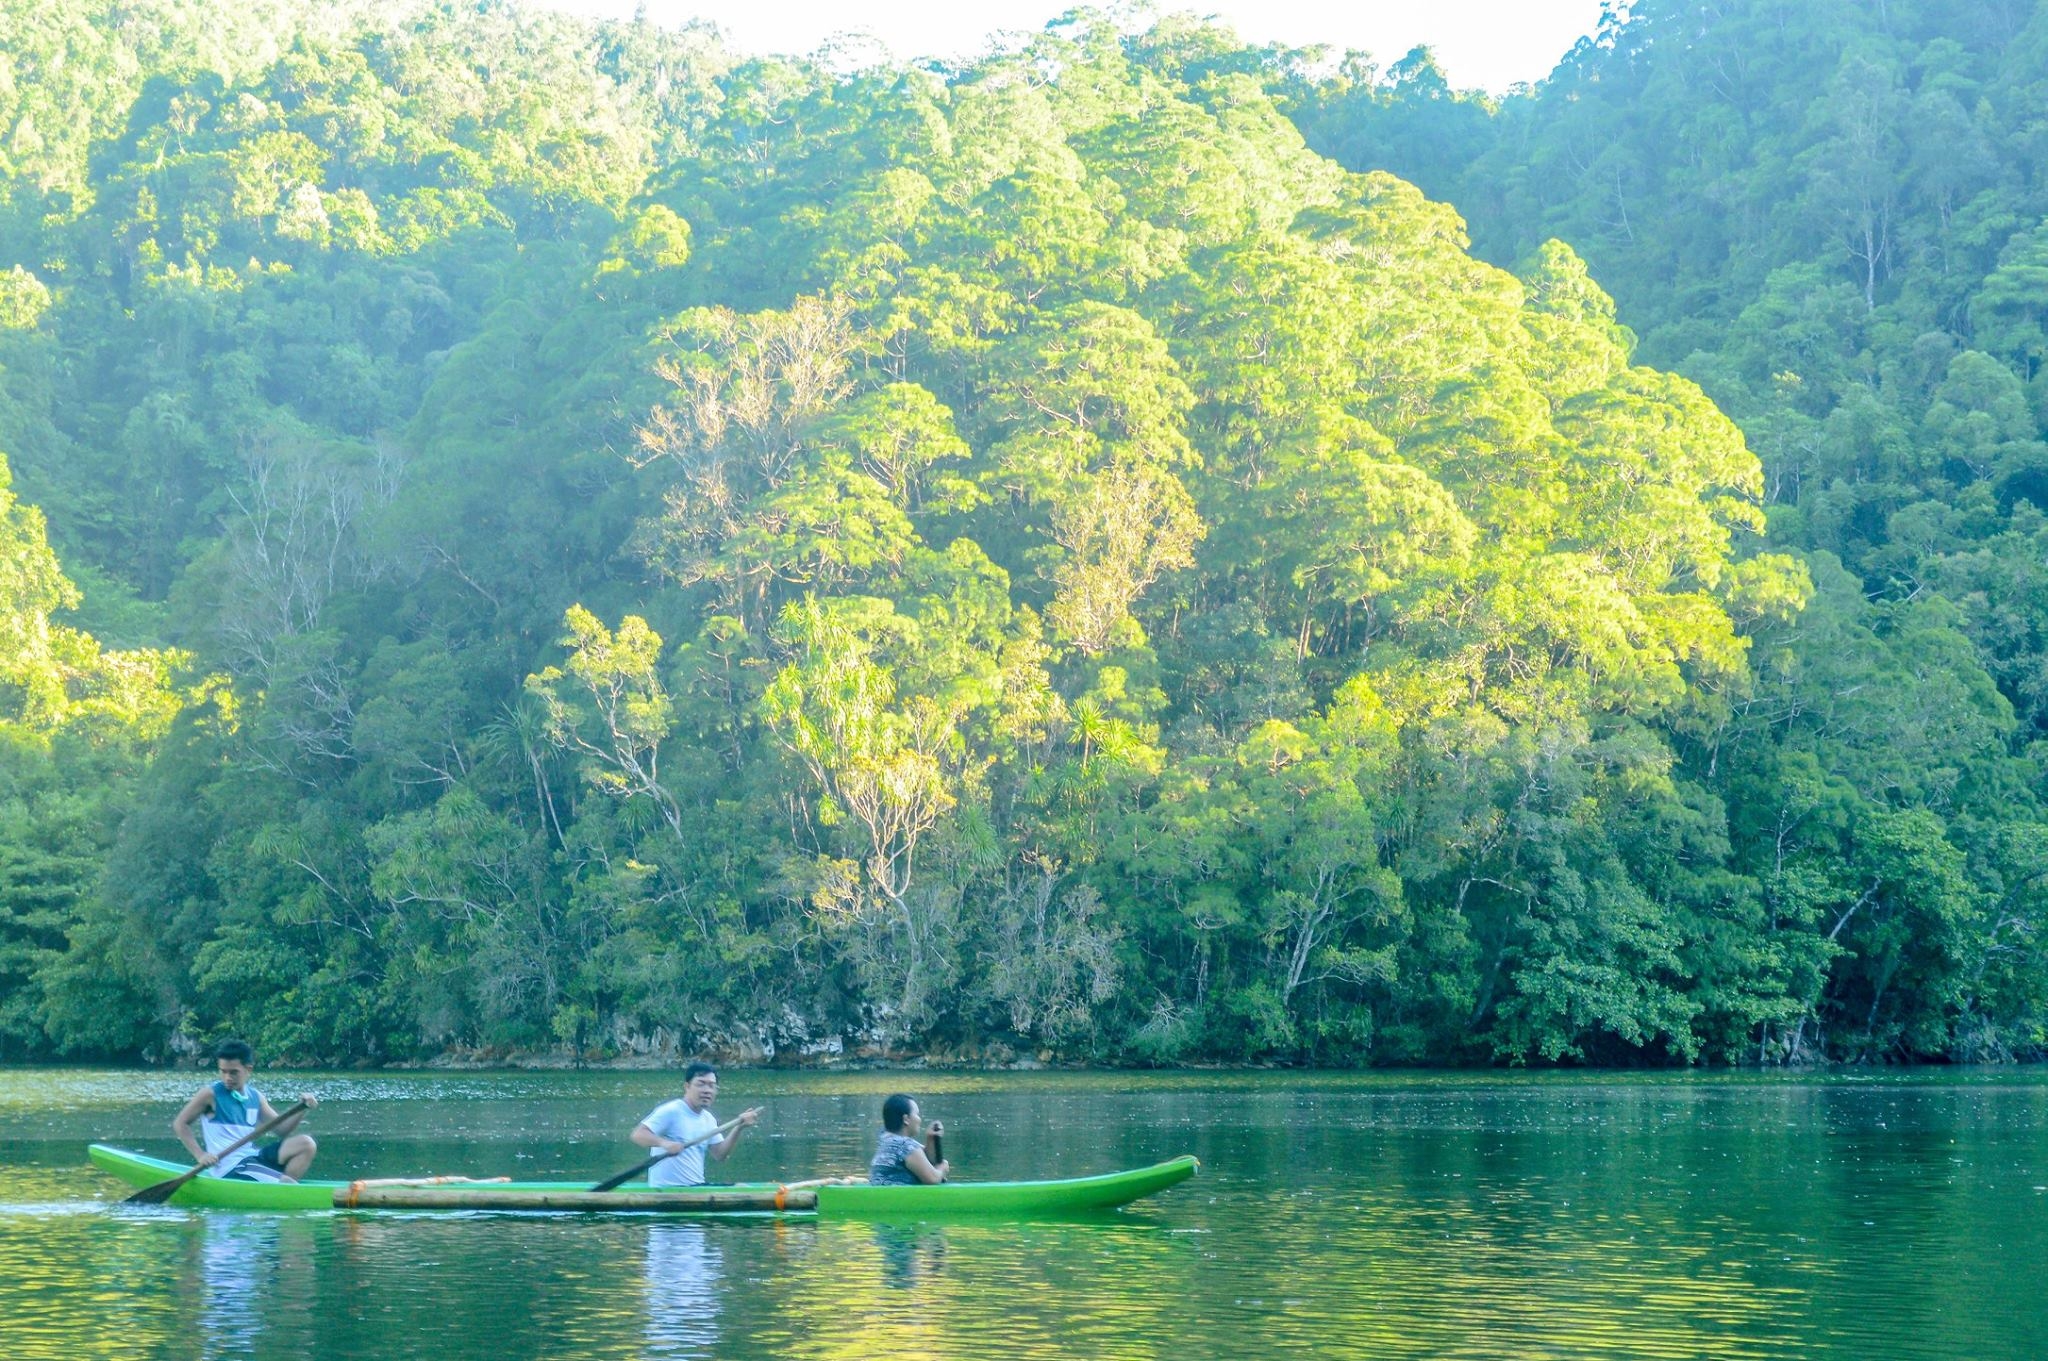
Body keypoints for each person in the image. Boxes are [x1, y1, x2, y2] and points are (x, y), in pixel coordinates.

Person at [171, 1039, 320, 1182]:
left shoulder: (256, 1097)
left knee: (306, 1144)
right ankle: (283, 1185)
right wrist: (200, 1155)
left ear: (248, 1069)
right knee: (286, 1182)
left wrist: (302, 1108)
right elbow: (180, 1124)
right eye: (223, 1071)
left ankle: (279, 1186)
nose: (227, 1078)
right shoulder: (210, 1094)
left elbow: (282, 1130)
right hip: (229, 1167)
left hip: (252, 1157)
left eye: (233, 1072)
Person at [630, 1062, 762, 1188]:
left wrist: (739, 1127)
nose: (707, 1090)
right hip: (668, 1189)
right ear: (687, 1086)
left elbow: (720, 1154)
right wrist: (665, 1144)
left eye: (711, 1086)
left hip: (696, 1187)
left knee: (741, 1187)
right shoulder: (672, 1111)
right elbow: (638, 1135)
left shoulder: (708, 1119)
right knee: (739, 1188)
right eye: (701, 1084)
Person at [868, 1093, 948, 1186]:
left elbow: (927, 1159)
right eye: (917, 1114)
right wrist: (942, 1167)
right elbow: (932, 1179)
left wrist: (931, 1139)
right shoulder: (904, 1145)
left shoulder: (886, 1139)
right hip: (895, 1197)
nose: (919, 1119)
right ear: (906, 1119)